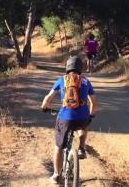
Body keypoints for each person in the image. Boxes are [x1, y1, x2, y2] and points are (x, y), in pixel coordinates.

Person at [41, 56, 98, 184]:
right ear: (80, 68)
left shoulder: (61, 80)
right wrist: (91, 116)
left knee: (58, 146)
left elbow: (48, 97)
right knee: (84, 124)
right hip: (82, 118)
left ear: (67, 68)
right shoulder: (86, 81)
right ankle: (82, 148)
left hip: (65, 118)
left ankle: (56, 174)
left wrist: (44, 107)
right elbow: (94, 103)